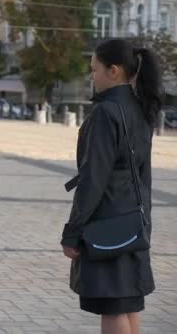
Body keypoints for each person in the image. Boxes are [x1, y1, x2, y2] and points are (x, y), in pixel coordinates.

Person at [61, 39, 162, 334]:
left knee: (113, 308)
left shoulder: (106, 113)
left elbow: (94, 179)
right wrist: (146, 222)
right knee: (128, 304)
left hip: (107, 224)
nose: (91, 76)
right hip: (132, 220)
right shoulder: (141, 109)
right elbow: (145, 175)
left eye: (94, 70)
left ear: (113, 71)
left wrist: (73, 232)